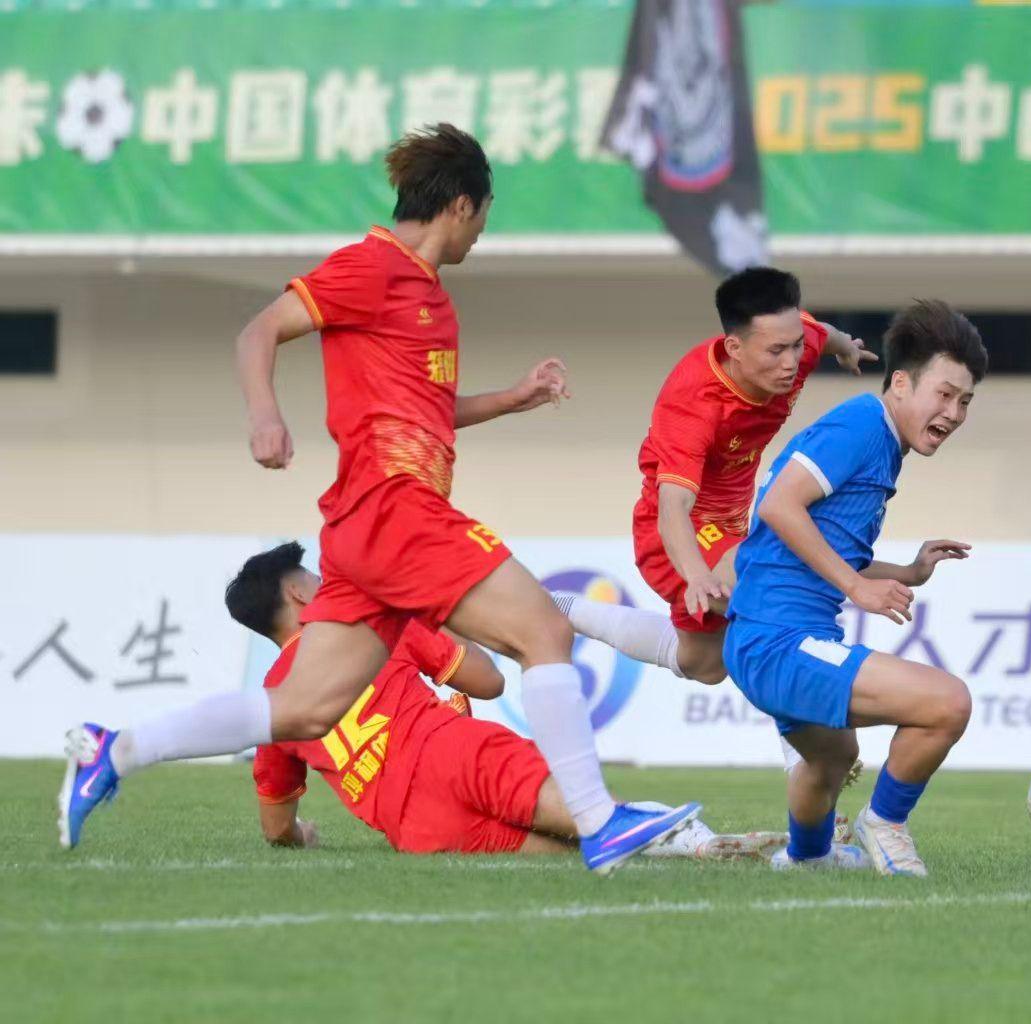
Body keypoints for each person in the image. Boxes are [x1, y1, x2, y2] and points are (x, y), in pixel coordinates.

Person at [59, 124, 697, 873]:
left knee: (305, 709)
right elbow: (257, 332)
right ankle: (598, 822)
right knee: (544, 632)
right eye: (485, 213)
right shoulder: (372, 267)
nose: (483, 231)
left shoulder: (430, 299)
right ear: (462, 204)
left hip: (365, 535)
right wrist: (265, 415)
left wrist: (511, 398)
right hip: (396, 510)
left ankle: (115, 752)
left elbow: (426, 411)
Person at [224, 544, 783, 860]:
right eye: (314, 578)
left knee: (564, 855)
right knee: (591, 815)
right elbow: (487, 681)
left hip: (415, 827)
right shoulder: (367, 627)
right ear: (298, 593)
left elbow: (276, 825)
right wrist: (429, 615)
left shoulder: (271, 707)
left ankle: (682, 846)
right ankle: (693, 842)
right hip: (451, 750)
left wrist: (301, 834)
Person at [551, 267, 875, 785]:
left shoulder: (796, 341)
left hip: (736, 522)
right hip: (679, 531)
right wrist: (698, 575)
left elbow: (823, 334)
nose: (791, 362)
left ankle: (564, 609)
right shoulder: (694, 401)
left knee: (704, 664)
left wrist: (845, 348)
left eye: (796, 346)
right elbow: (672, 508)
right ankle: (810, 762)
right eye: (777, 351)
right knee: (769, 600)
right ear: (734, 347)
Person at [722, 301, 987, 876]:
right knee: (948, 703)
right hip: (777, 641)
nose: (953, 412)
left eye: (965, 401)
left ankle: (808, 858)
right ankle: (885, 823)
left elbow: (823, 546)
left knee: (832, 758)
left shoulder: (884, 443)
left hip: (775, 638)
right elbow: (779, 505)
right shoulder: (864, 424)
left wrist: (908, 573)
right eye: (944, 394)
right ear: (901, 383)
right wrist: (856, 588)